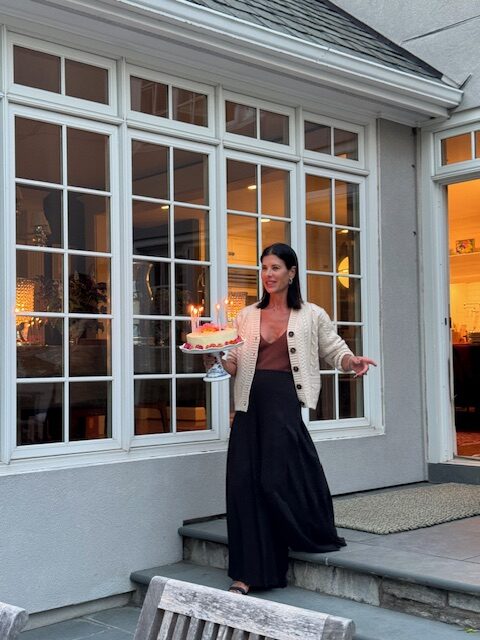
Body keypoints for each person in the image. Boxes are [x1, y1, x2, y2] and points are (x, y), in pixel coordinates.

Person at [205, 243, 376, 595]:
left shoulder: (312, 314)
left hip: (283, 405)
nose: (268, 274)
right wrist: (214, 357)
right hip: (249, 407)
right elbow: (234, 364)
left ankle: (299, 533)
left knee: (272, 481)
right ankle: (248, 573)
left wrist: (351, 362)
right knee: (243, 486)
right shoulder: (247, 316)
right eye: (264, 268)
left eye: (275, 268)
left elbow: (334, 349)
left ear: (292, 272)